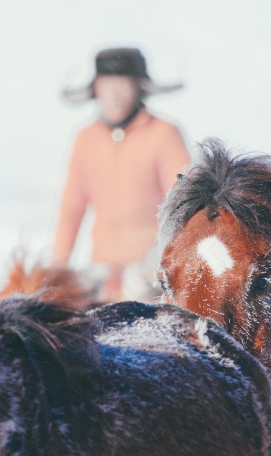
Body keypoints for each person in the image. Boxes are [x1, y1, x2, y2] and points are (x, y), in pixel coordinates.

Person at [50, 47, 190, 299]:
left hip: (150, 274)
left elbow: (185, 206)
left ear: (140, 86)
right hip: (101, 272)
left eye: (123, 82)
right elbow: (72, 207)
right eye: (107, 83)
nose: (114, 92)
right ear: (95, 88)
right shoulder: (86, 138)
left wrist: (158, 263)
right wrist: (58, 264)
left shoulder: (164, 134)